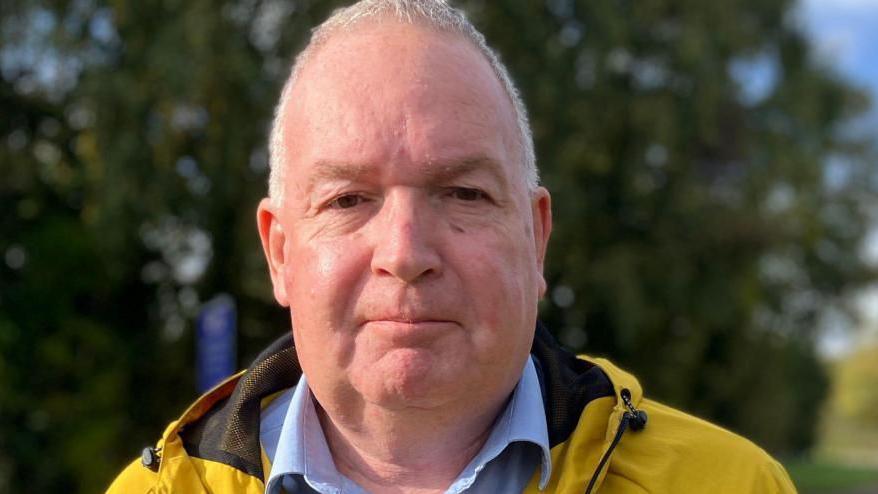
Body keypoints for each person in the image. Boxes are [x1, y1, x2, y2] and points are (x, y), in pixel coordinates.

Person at [107, 1, 797, 492]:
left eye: (465, 194)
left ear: (536, 239)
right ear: (280, 252)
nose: (405, 253)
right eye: (348, 199)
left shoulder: (732, 484)